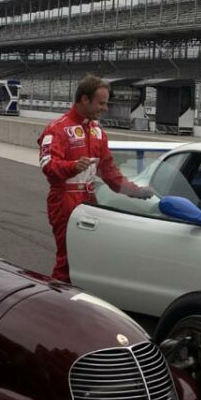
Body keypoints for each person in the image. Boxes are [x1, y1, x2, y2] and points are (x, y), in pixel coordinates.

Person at [38, 75, 153, 283]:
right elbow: (47, 165)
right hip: (64, 200)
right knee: (67, 261)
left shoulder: (98, 132)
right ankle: (57, 306)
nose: (105, 108)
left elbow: (110, 173)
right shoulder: (57, 128)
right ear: (84, 100)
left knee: (88, 259)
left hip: (90, 201)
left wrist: (137, 191)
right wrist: (72, 166)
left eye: (106, 103)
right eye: (101, 103)